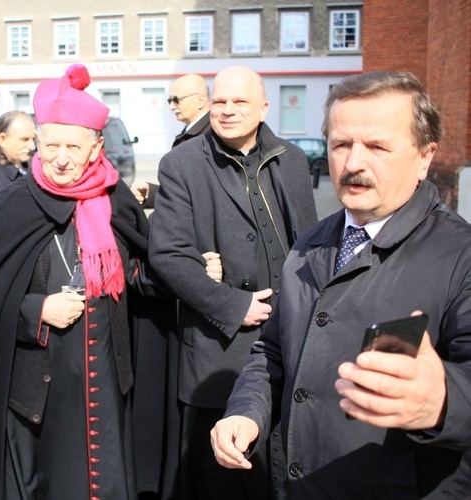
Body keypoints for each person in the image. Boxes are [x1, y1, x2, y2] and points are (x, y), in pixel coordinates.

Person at [211, 71, 471, 498]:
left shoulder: (460, 256)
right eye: (341, 145)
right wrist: (247, 413)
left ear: (425, 157)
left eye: (377, 147)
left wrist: (443, 401)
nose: (353, 164)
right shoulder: (310, 243)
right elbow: (272, 352)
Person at [0, 64, 177, 499]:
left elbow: (138, 274)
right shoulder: (13, 205)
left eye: (73, 146)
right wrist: (35, 310)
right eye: (51, 145)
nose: (61, 158)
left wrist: (183, 269)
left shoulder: (116, 199)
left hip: (107, 380)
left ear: (96, 147)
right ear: (37, 144)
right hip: (37, 393)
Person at [148, 65, 318, 499]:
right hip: (219, 350)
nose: (226, 110)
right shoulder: (181, 163)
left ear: (263, 108)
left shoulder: (292, 159)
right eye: (219, 101)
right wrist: (230, 304)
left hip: (292, 339)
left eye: (239, 102)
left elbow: (312, 244)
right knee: (228, 478)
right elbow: (166, 254)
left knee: (286, 468)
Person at [131, 73, 211, 208]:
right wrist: (151, 194)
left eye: (176, 100)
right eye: (169, 101)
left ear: (200, 101)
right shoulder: (194, 132)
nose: (172, 106)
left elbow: (200, 195)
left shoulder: (211, 135)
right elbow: (183, 190)